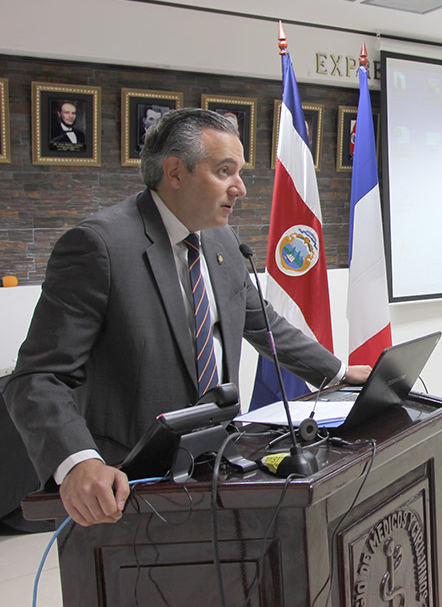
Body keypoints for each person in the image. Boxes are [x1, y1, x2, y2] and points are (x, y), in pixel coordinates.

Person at [4, 108, 372, 527]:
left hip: (216, 465)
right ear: (175, 172)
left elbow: (262, 324)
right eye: (224, 170)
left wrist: (337, 371)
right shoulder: (98, 246)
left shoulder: (223, 239)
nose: (241, 188)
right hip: (131, 486)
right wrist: (77, 463)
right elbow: (38, 377)